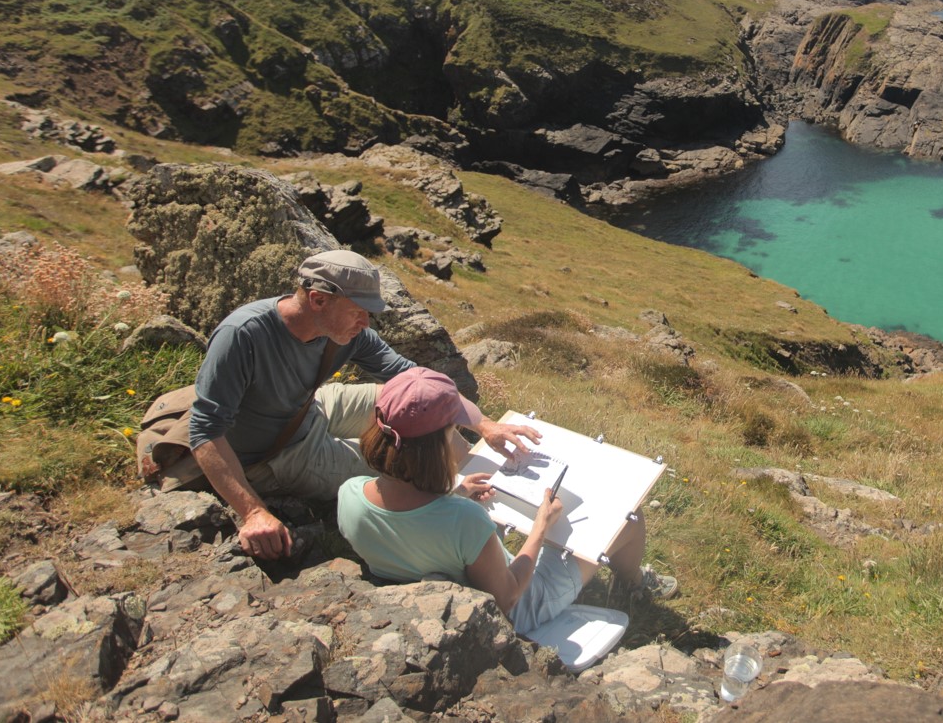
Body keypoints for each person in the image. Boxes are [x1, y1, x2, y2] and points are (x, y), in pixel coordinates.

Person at [188, 249, 541, 561]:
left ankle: (481, 483)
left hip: (313, 410)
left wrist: (486, 426)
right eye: (358, 311)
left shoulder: (345, 332)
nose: (366, 323)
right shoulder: (243, 335)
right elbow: (205, 431)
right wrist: (253, 512)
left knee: (420, 405)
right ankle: (456, 509)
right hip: (276, 453)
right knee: (403, 476)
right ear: (318, 300)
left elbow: (415, 380)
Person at [336, 368, 677, 633]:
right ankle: (632, 586)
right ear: (436, 448)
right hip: (518, 609)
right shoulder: (462, 520)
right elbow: (508, 597)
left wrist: (457, 493)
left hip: (435, 588)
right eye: (450, 432)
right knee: (628, 519)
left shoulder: (350, 494)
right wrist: (541, 527)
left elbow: (414, 529)